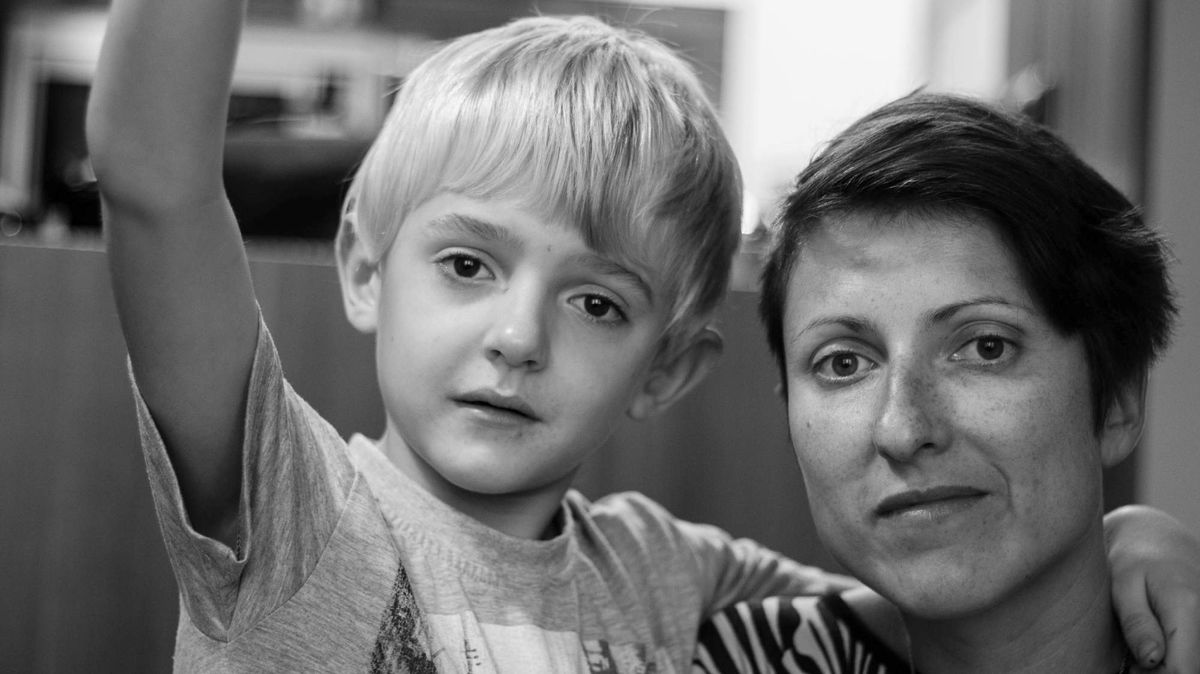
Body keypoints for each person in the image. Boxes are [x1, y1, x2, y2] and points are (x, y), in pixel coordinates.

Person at [86, 1, 1199, 670]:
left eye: (598, 303)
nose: (517, 336)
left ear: (666, 367)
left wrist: (1117, 541)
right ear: (366, 268)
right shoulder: (290, 509)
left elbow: (939, 587)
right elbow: (153, 176)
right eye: (468, 265)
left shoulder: (661, 571)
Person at [695, 92, 1196, 673]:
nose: (903, 429)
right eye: (844, 363)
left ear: (1118, 402)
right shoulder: (738, 657)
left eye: (986, 348)